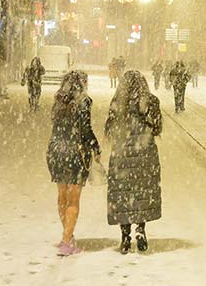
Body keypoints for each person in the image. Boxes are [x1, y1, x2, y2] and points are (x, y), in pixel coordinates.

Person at [106, 70, 163, 254]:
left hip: (122, 153)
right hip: (144, 153)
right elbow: (157, 128)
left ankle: (125, 236)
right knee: (141, 192)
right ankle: (140, 229)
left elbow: (110, 129)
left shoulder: (117, 103)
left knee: (123, 193)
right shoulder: (151, 101)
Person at [46, 71, 100, 256]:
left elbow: (57, 126)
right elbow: (85, 129)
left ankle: (67, 235)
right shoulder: (84, 102)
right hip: (74, 152)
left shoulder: (58, 101)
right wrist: (95, 147)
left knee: (62, 196)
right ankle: (66, 241)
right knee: (73, 200)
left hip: (55, 151)